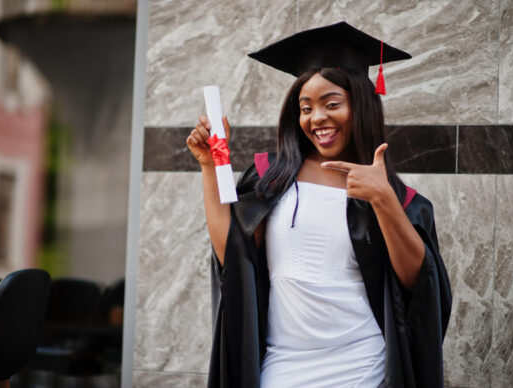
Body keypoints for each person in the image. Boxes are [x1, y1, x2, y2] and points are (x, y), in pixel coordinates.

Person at [186, 22, 452, 388]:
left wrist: (383, 200)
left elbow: (418, 285)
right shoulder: (271, 178)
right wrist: (210, 162)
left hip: (362, 369)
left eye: (332, 104)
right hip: (283, 366)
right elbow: (232, 253)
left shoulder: (397, 198)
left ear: (361, 105)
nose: (317, 118)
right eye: (306, 107)